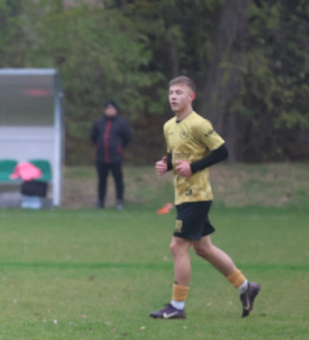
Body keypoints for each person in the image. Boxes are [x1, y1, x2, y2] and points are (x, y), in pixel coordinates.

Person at [149, 76, 260, 320]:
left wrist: (194, 167)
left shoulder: (199, 124)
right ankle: (246, 287)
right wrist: (166, 165)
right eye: (171, 92)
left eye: (179, 92)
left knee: (177, 246)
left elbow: (222, 151)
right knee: (203, 248)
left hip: (197, 195)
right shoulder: (169, 126)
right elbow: (175, 156)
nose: (173, 96)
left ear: (191, 97)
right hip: (182, 194)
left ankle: (177, 306)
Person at [90, 100, 132, 209]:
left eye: (112, 109)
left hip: (116, 157)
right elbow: (93, 137)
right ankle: (100, 201)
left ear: (116, 110)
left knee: (118, 179)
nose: (110, 111)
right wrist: (98, 147)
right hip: (101, 157)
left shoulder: (121, 123)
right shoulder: (98, 123)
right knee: (102, 180)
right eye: (108, 109)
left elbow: (127, 137)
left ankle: (119, 201)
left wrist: (119, 147)